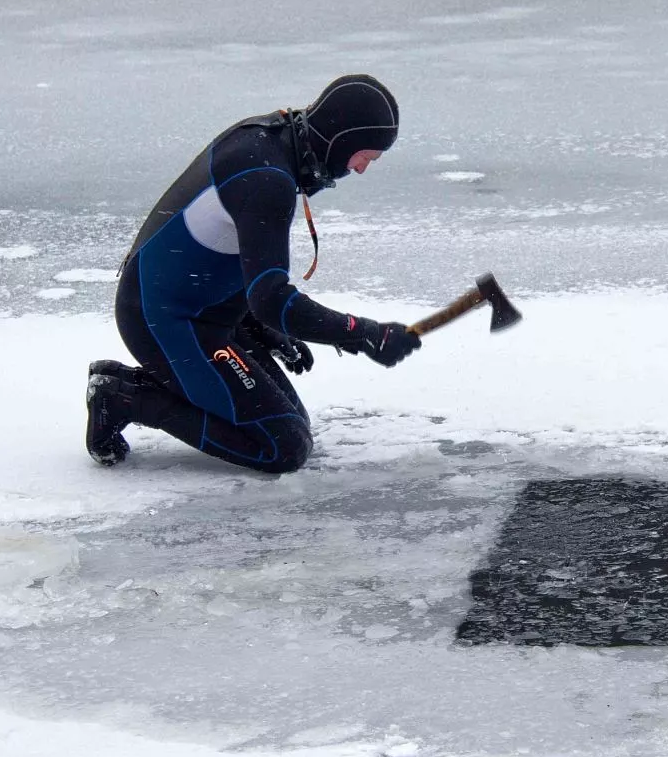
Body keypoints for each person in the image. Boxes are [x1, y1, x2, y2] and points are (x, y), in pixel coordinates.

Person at [85, 74, 420, 473]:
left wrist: (260, 329)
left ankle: (152, 382)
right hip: (165, 320)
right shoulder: (267, 180)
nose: (361, 169)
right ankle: (122, 396)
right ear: (340, 140)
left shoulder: (272, 140)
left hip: (205, 306)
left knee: (292, 423)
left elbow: (230, 259)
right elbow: (274, 300)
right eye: (365, 156)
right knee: (283, 446)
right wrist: (363, 332)